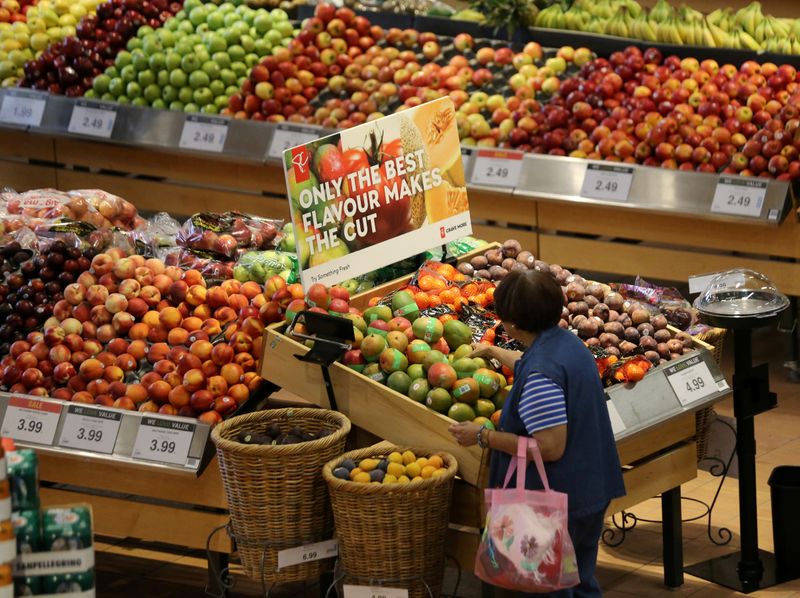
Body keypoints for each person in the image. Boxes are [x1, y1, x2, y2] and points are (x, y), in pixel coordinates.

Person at [449, 269, 625, 597]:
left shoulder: (541, 376)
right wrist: (492, 352)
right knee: (581, 583)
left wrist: (482, 436)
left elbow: (549, 447)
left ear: (512, 322)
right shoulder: (568, 344)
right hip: (591, 487)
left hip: (558, 502)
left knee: (548, 589)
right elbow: (532, 363)